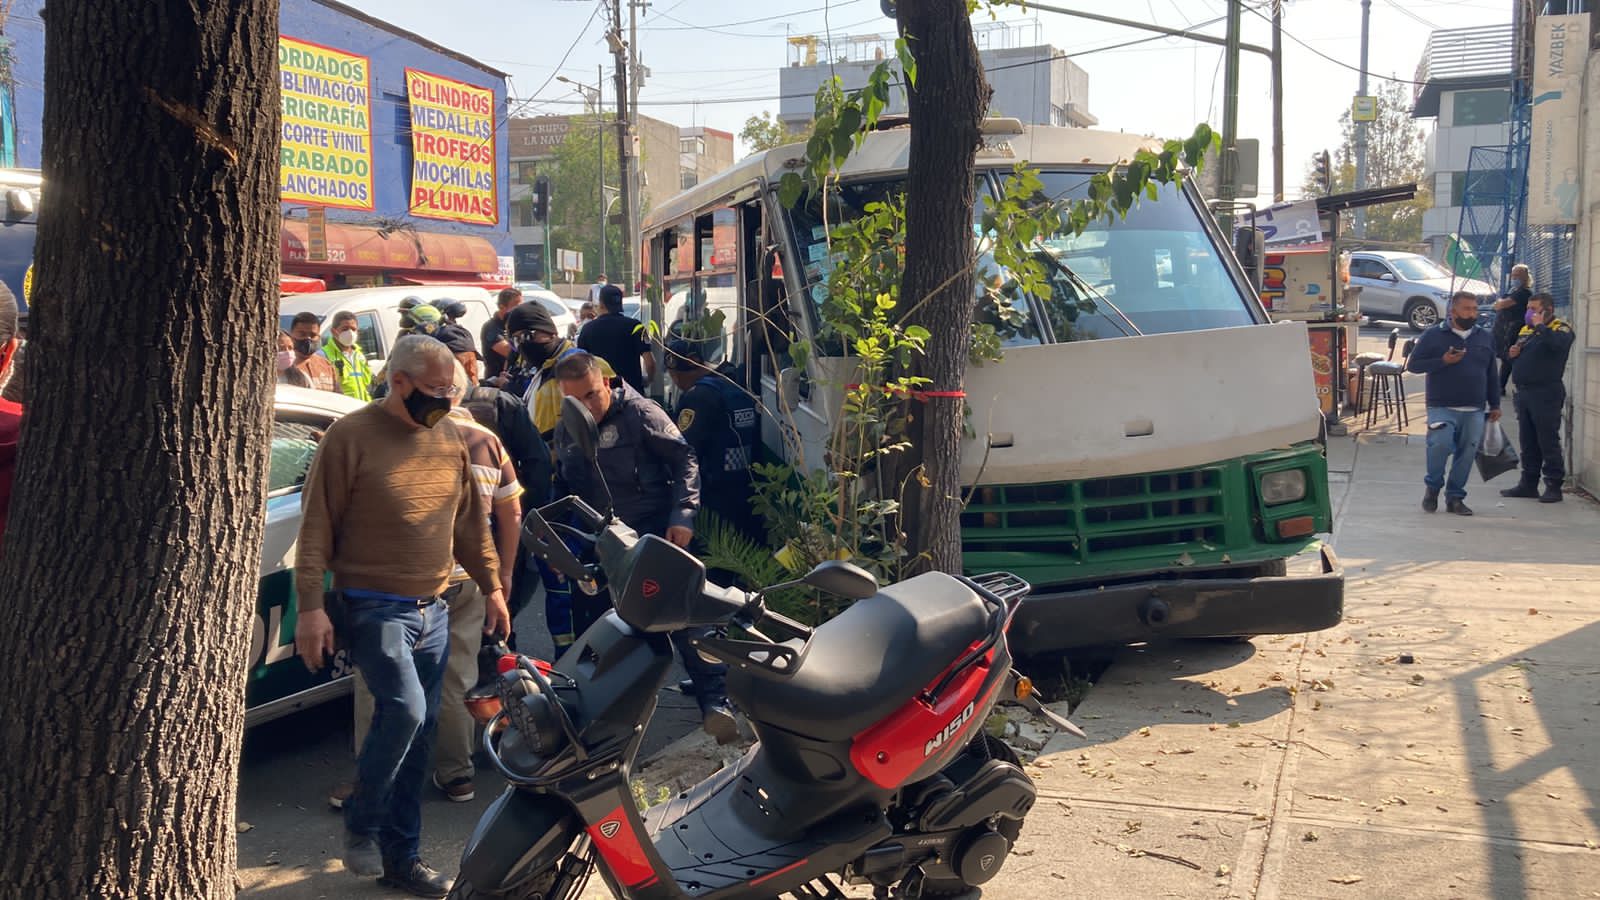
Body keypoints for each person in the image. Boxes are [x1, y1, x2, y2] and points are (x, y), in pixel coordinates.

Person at [293, 335, 508, 898]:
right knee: (407, 711)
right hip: (372, 604)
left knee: (421, 735)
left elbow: (468, 526)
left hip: (433, 608)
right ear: (399, 382)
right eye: (435, 391)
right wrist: (311, 608)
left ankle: (401, 859)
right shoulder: (350, 437)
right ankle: (361, 822)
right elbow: (314, 529)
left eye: (451, 391)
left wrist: (493, 587)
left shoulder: (449, 440)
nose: (443, 401)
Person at [552, 350, 738, 744]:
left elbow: (685, 460)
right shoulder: (568, 427)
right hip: (603, 541)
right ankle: (603, 726)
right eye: (574, 400)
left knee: (686, 618)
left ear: (604, 382)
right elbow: (565, 490)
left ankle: (717, 703)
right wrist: (560, 545)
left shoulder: (640, 413)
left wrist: (683, 516)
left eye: (591, 394)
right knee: (608, 632)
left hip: (654, 533)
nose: (586, 405)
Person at [1406, 291, 1502, 516]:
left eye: (1475, 309)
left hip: (1474, 407)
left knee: (1466, 454)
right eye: (1467, 309)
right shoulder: (1433, 335)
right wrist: (1443, 361)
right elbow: (1414, 365)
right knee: (1439, 445)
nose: (1472, 313)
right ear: (1453, 311)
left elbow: (1491, 373)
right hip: (1441, 405)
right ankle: (1432, 488)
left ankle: (1455, 497)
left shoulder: (1484, 337)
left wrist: (1495, 403)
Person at [664, 339, 758, 537]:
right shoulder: (733, 386)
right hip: (743, 488)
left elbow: (685, 449)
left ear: (676, 373)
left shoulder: (697, 396)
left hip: (712, 494)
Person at [1500, 293, 1574, 503]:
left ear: (1547, 310)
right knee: (1528, 440)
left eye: (1534, 309)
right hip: (1524, 392)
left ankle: (1553, 485)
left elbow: (1558, 346)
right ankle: (1528, 483)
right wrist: (1512, 354)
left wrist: (1541, 326)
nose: (1529, 313)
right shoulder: (1526, 330)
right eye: (1528, 309)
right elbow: (1518, 357)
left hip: (1546, 392)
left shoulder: (1561, 329)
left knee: (1547, 440)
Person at [577, 283, 654, 393]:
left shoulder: (587, 329)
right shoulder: (635, 326)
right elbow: (650, 363)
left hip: (603, 394)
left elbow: (581, 365)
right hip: (632, 393)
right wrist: (647, 380)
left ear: (601, 304)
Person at [1491, 264, 1532, 393]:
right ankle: (1500, 386)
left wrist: (1499, 304)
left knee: (1511, 358)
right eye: (1513, 276)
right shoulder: (1513, 291)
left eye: (1518, 276)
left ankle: (1510, 386)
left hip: (1514, 330)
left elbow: (1501, 304)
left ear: (1525, 277)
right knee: (1507, 359)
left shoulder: (1523, 293)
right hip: (1505, 330)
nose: (1514, 278)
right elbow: (1497, 305)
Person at [322, 310, 374, 401]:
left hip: (362, 407)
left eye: (353, 329)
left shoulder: (359, 355)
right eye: (345, 329)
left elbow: (368, 384)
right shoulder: (324, 355)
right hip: (340, 410)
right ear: (334, 332)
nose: (350, 333)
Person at [288, 311, 339, 393]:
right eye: (302, 334)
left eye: (312, 335)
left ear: (318, 337)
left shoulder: (327, 366)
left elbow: (338, 397)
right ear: (291, 335)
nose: (308, 339)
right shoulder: (283, 366)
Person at [481, 287, 522, 383]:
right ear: (501, 307)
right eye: (516, 305)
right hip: (496, 382)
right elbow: (509, 352)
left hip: (513, 379)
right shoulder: (491, 327)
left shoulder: (515, 325)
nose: (520, 309)